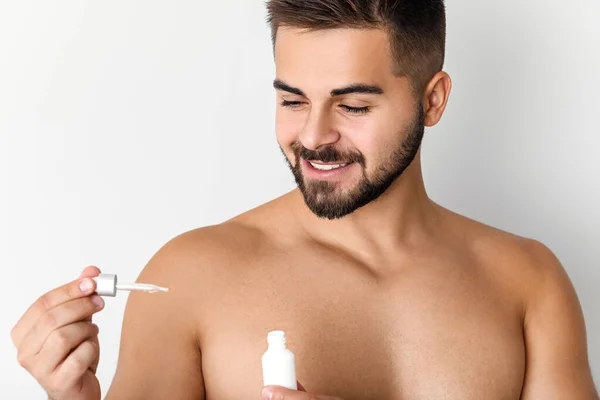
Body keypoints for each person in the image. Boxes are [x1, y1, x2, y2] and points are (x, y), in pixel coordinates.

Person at [10, 1, 599, 399]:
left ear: (433, 100)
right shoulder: (191, 278)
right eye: (292, 100)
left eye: (354, 106)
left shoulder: (527, 282)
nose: (313, 136)